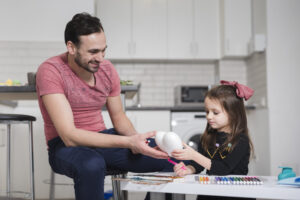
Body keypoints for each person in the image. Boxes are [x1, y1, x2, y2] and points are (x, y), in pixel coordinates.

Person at [36, 12, 173, 200]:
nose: (100, 58)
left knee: (167, 156)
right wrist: (128, 143)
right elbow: (69, 136)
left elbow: (119, 118)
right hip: (64, 146)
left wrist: (137, 142)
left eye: (103, 50)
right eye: (93, 52)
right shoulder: (51, 71)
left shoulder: (107, 70)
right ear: (71, 47)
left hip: (102, 140)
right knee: (92, 164)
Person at [171, 80, 255, 200]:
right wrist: (188, 169)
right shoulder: (208, 136)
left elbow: (223, 169)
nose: (209, 116)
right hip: (211, 191)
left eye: (215, 112)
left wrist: (194, 155)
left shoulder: (240, 140)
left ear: (233, 113)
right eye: (207, 111)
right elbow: (198, 165)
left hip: (234, 193)